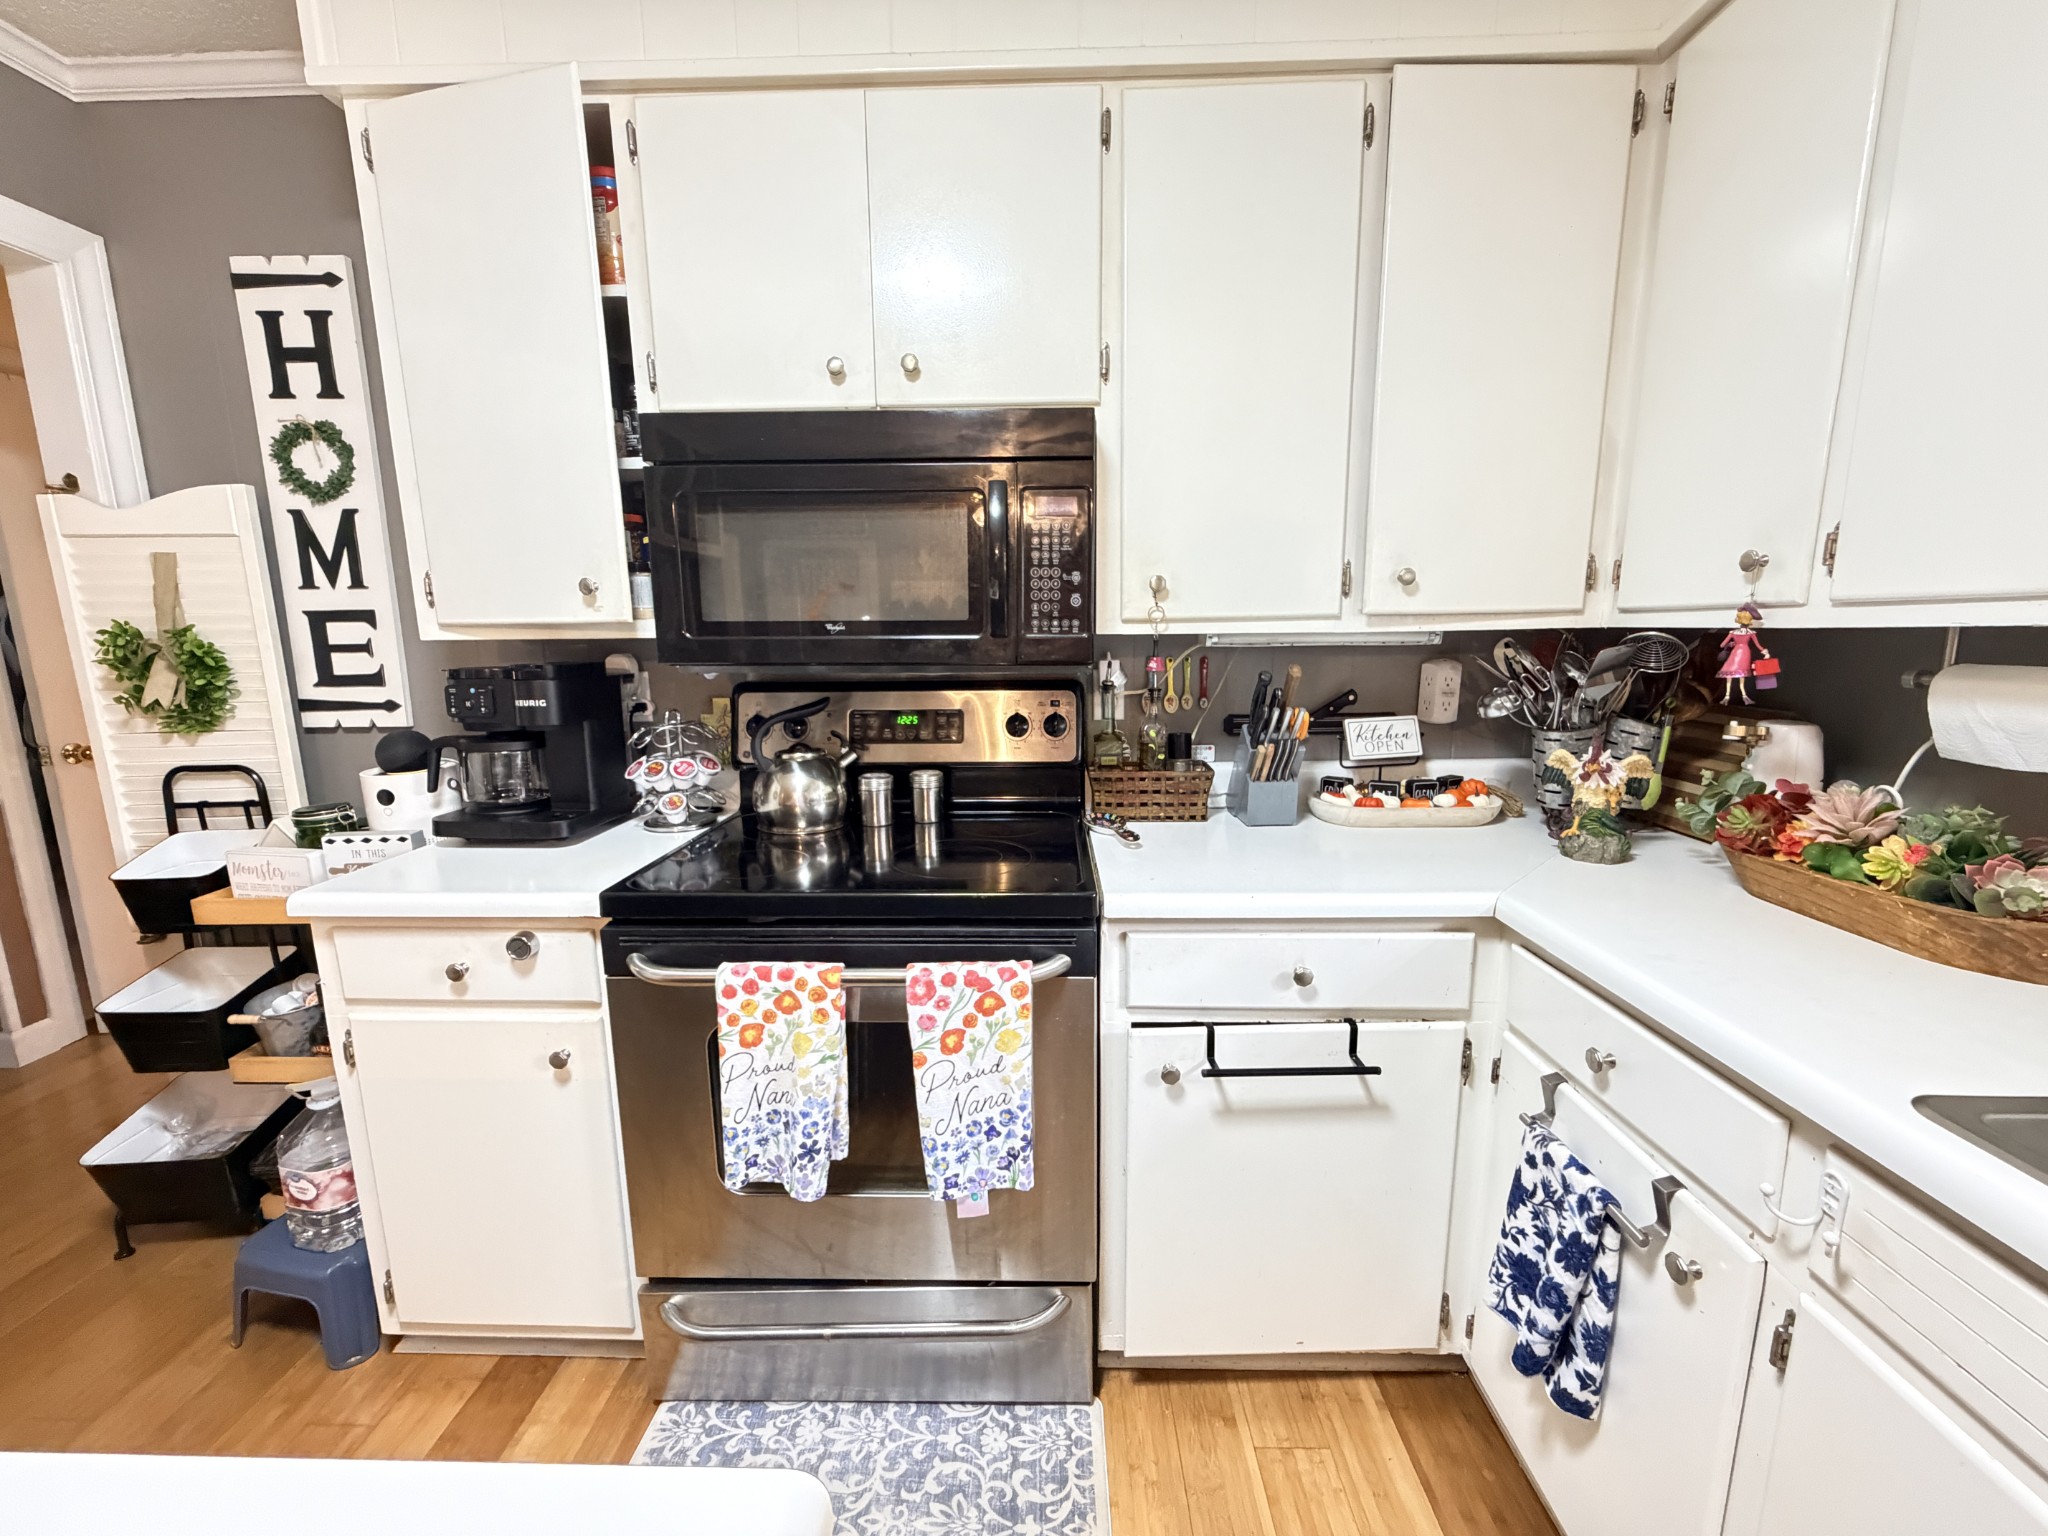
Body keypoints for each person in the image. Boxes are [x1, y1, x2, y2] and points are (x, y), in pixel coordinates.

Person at [1717, 602, 1771, 705]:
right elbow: (1758, 645)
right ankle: (1744, 696)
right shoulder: (1751, 633)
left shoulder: (1733, 633)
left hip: (1735, 652)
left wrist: (1732, 644)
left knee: (1730, 675)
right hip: (1745, 653)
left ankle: (1726, 696)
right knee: (1741, 677)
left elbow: (1722, 645)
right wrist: (1765, 652)